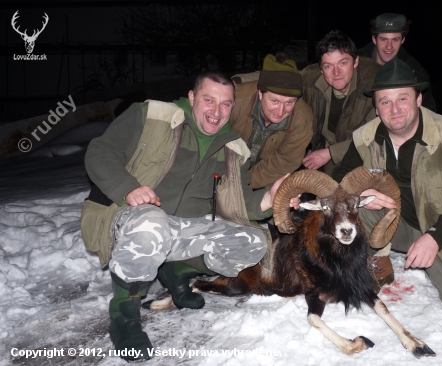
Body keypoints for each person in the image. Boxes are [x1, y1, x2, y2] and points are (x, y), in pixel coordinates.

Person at [81, 71, 296, 360]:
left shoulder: (234, 149)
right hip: (134, 219)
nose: (216, 111)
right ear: (192, 98)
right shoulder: (151, 116)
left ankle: (178, 270)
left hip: (184, 229)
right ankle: (124, 313)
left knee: (253, 241)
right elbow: (99, 152)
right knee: (152, 222)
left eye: (225, 104)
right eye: (209, 100)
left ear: (233, 107)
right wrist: (128, 188)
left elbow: (242, 206)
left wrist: (272, 196)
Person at [333, 59, 442, 315]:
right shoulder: (364, 137)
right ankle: (376, 260)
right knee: (352, 206)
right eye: (385, 101)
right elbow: (341, 177)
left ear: (419, 99)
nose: (394, 109)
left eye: (403, 99)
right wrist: (360, 192)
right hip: (395, 223)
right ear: (376, 107)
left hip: (440, 226)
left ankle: (437, 258)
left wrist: (434, 238)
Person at [300, 30, 381, 176]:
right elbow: (281, 82)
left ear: (355, 62)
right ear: (320, 69)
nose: (336, 72)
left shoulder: (374, 85)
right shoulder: (310, 77)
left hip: (360, 150)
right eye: (328, 66)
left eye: (343, 63)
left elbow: (376, 134)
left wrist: (330, 153)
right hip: (320, 146)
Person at [231, 53, 313, 189]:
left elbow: (285, 162)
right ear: (260, 93)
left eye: (289, 102)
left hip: (268, 176)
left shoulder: (302, 118)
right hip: (223, 168)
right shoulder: (234, 101)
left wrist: (241, 183)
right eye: (275, 101)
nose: (280, 111)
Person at [357, 13, 437, 112]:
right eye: (384, 39)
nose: (389, 46)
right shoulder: (355, 62)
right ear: (374, 39)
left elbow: (429, 111)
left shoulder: (415, 72)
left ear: (402, 40)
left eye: (395, 40)